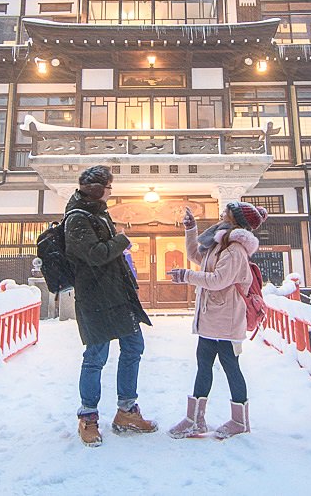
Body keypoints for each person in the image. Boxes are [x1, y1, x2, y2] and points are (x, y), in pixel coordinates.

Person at [64, 165, 155, 447]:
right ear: (96, 189)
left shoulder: (97, 212)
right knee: (96, 356)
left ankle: (126, 410)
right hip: (95, 297)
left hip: (117, 294)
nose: (109, 192)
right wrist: (122, 239)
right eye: (108, 188)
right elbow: (95, 254)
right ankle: (88, 416)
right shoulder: (77, 218)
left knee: (133, 347)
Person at [167, 200, 268, 440]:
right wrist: (191, 229)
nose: (222, 213)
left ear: (235, 220)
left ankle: (240, 420)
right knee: (203, 365)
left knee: (231, 367)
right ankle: (196, 419)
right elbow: (195, 255)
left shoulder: (234, 250)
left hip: (227, 319)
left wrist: (186, 276)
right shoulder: (220, 244)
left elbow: (218, 280)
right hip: (212, 317)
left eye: (227, 212)